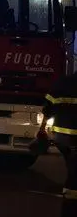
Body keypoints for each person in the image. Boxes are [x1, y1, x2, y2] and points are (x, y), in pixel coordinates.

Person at [32, 73, 77, 217]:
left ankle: (69, 205)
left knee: (72, 169)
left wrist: (42, 130)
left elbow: (47, 108)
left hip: (62, 138)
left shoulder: (63, 82)